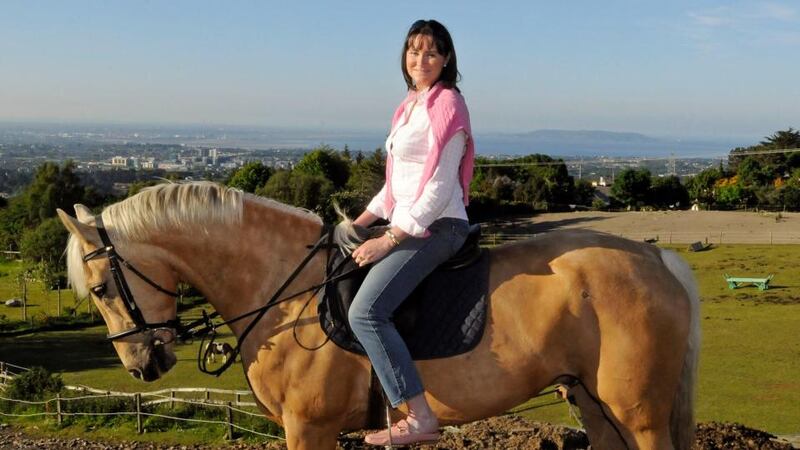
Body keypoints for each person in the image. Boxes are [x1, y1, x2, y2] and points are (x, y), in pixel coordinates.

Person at [347, 19, 475, 447]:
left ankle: (419, 417)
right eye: (414, 50)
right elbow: (397, 186)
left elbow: (438, 188)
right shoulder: (410, 104)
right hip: (409, 221)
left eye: (431, 52)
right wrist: (358, 223)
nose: (420, 59)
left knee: (365, 313)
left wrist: (389, 239)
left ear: (446, 59)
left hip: (437, 226)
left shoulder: (449, 105)